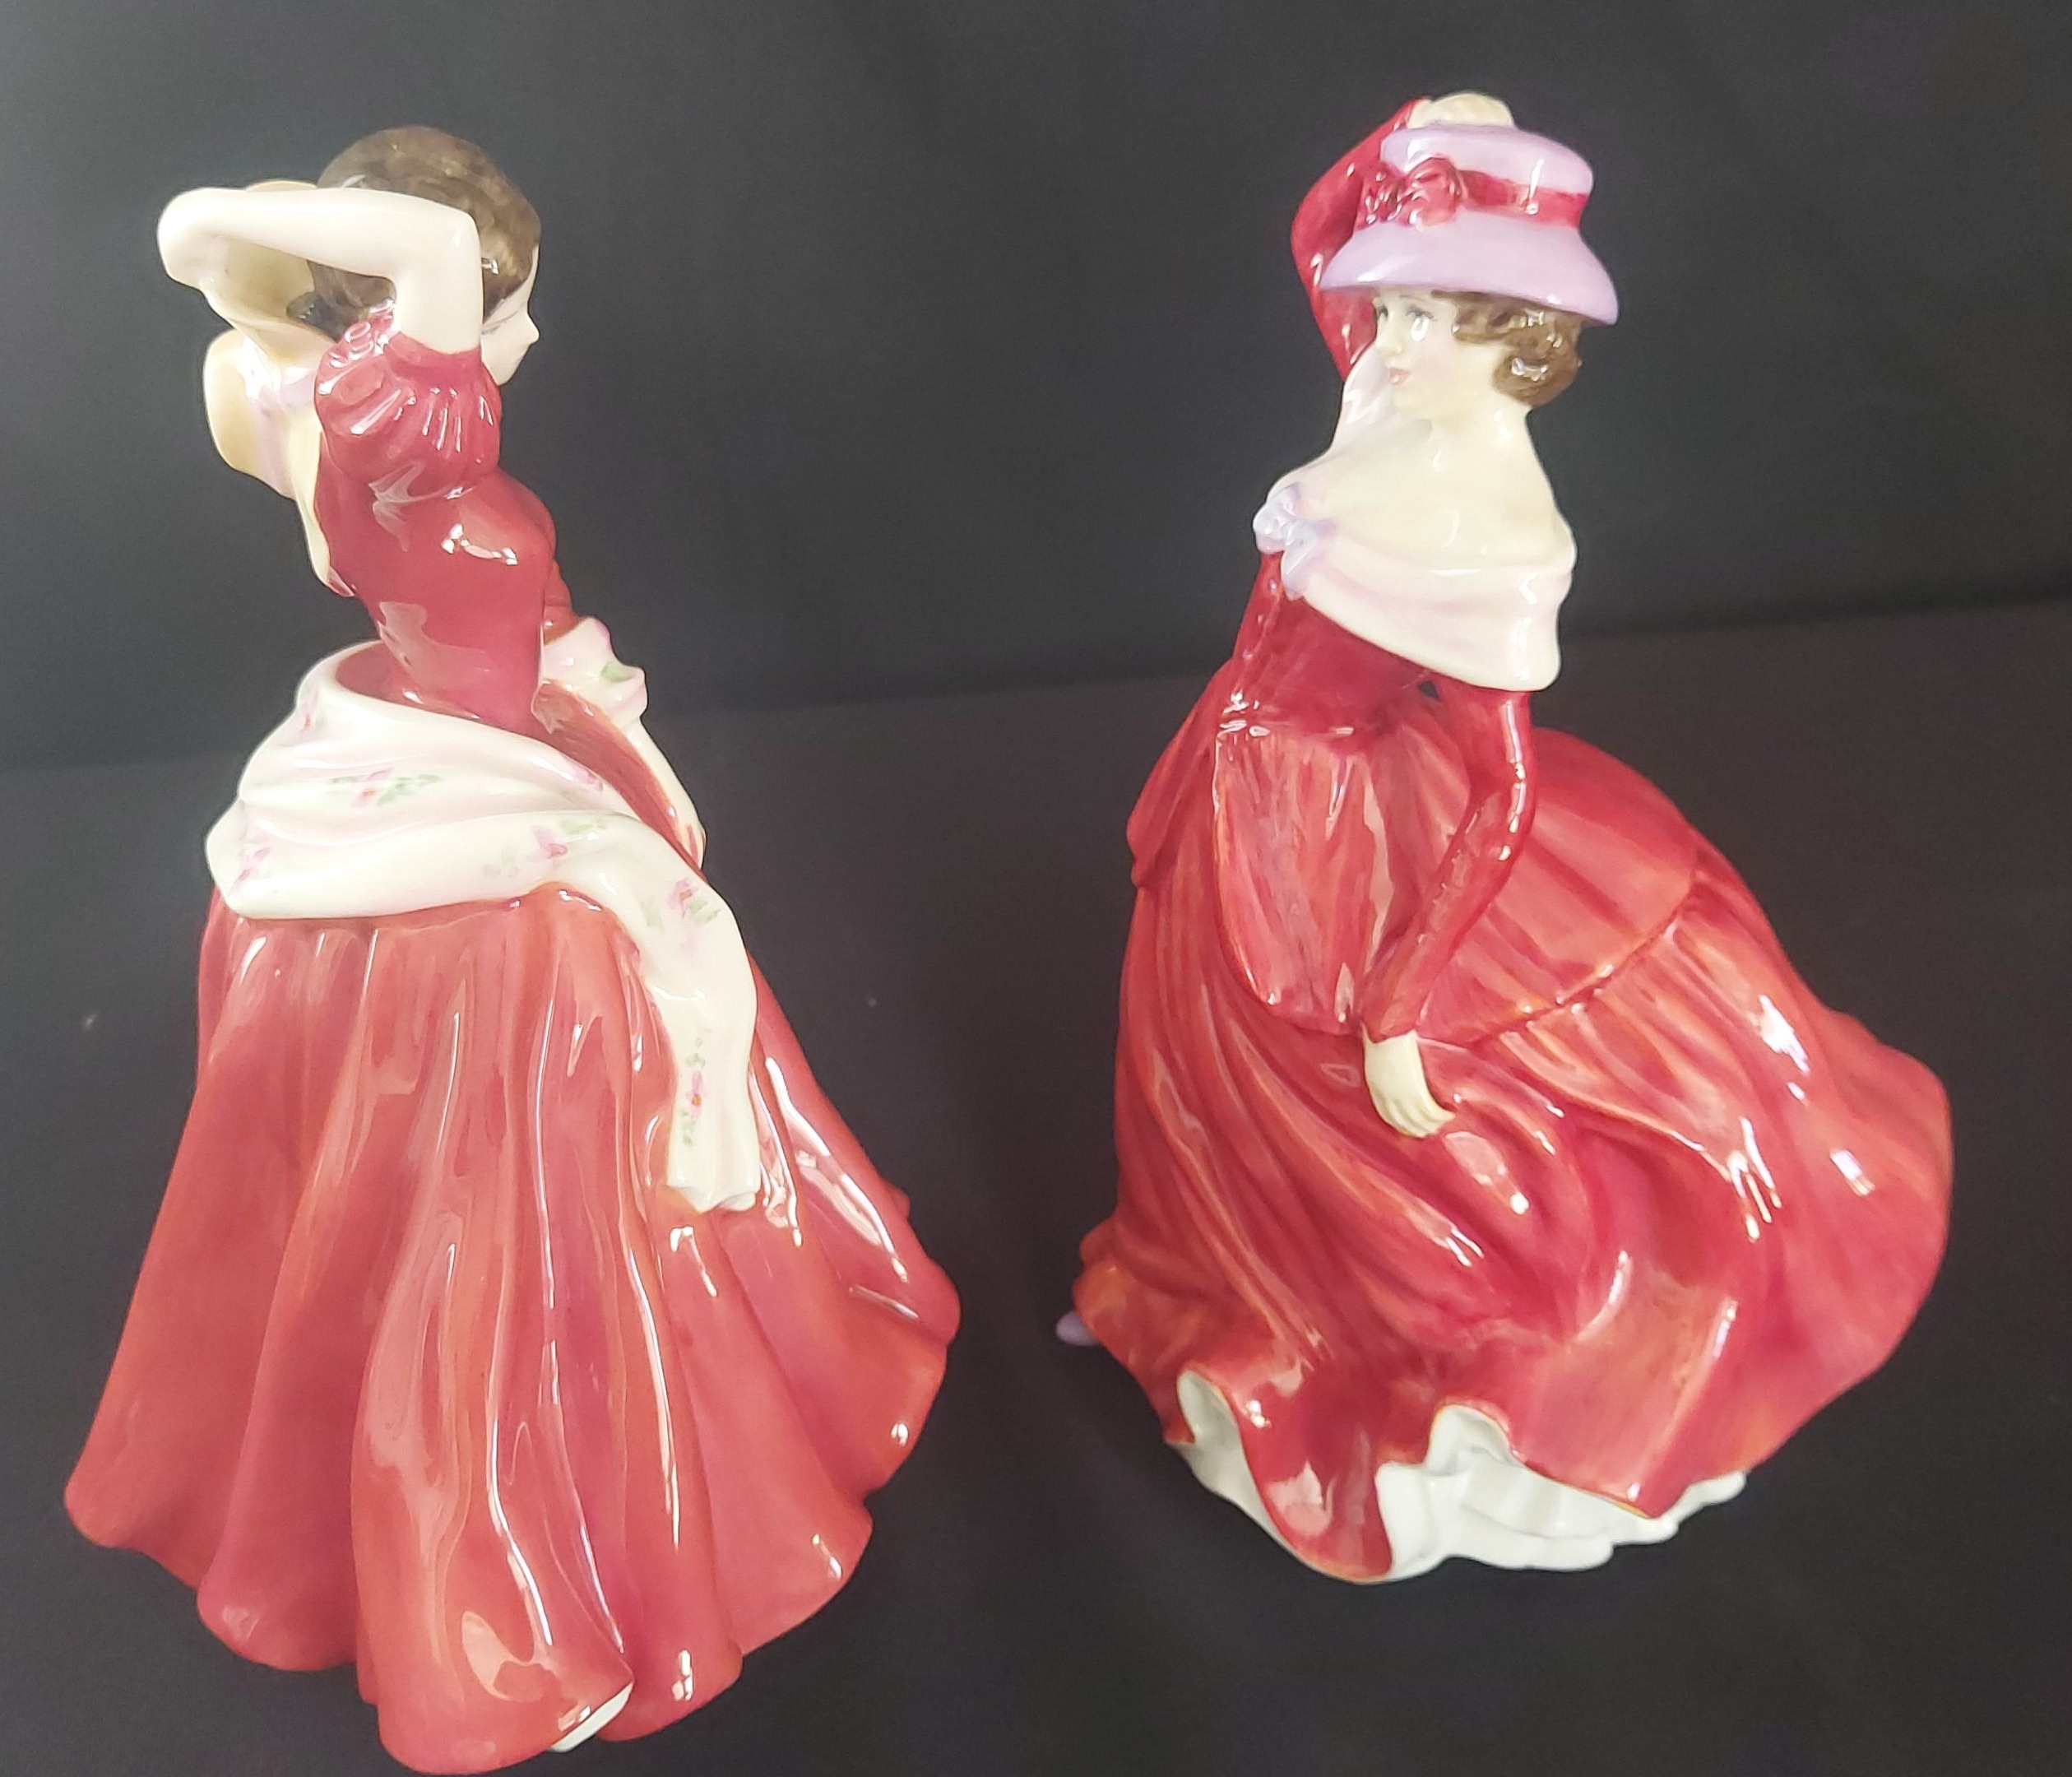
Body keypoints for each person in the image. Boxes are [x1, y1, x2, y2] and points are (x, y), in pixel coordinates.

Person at [66, 128, 958, 1772]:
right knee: (680, 950)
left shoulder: (291, 398)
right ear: (412, 298)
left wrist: (244, 239)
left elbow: (231, 265)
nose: (523, 332)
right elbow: (336, 250)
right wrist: (320, 237)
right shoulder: (411, 429)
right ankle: (558, 1461)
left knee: (673, 923)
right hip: (477, 778)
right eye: (504, 301)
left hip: (472, 721)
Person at [1068, 95, 1950, 1583]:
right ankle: (1209, 1271)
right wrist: (1415, 138)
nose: (1392, 335)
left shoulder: (1504, 533)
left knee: (1339, 1103)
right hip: (1245, 781)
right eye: (1397, 307)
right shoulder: (1384, 399)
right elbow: (1320, 243)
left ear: (1518, 341)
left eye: (1431, 316)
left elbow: (1502, 796)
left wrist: (1401, 1010)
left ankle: (1372, 1349)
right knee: (1193, 1047)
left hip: (1341, 822)